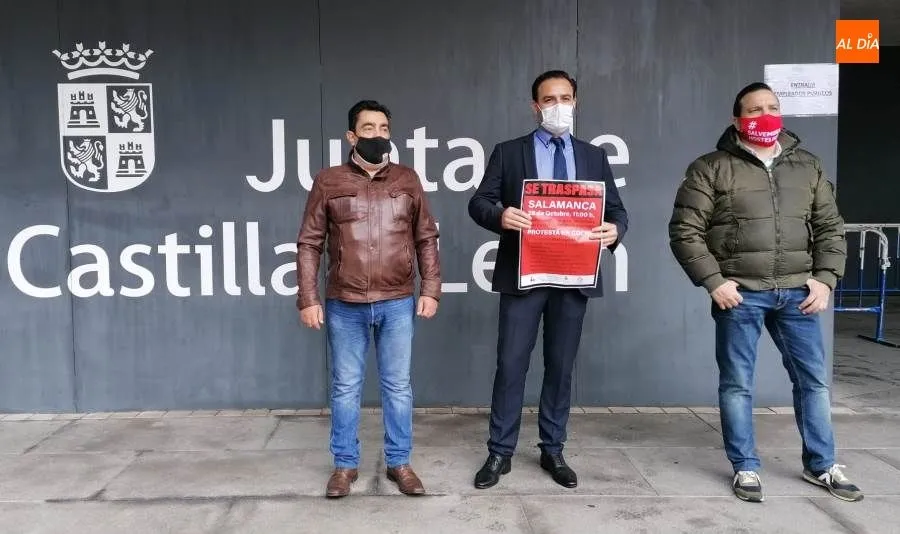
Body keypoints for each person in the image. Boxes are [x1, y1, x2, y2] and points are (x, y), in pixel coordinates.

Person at [668, 82, 862, 503]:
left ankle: (822, 465)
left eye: (772, 107)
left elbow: (830, 227)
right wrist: (714, 281)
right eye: (755, 110)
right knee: (737, 384)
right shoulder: (711, 168)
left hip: (799, 292)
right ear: (738, 119)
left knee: (813, 383)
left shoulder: (807, 166)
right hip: (741, 295)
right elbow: (685, 231)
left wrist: (826, 277)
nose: (765, 115)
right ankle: (745, 467)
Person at [467, 70, 628, 489]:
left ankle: (553, 449)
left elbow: (617, 210)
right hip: (524, 274)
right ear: (535, 106)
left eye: (565, 98)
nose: (558, 105)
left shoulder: (593, 156)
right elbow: (479, 202)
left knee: (560, 366)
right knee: (511, 364)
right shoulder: (509, 152)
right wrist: (500, 215)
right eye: (549, 99)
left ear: (576, 102)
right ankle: (499, 452)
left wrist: (615, 230)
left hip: (573, 277)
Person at [296, 100, 441, 498]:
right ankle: (345, 465)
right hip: (345, 303)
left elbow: (426, 237)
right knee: (345, 387)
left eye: (383, 128)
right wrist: (308, 297)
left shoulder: (407, 179)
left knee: (398, 387)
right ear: (351, 136)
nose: (377, 135)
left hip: (397, 301)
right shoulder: (329, 181)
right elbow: (309, 243)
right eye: (368, 128)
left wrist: (431, 288)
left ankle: (400, 463)